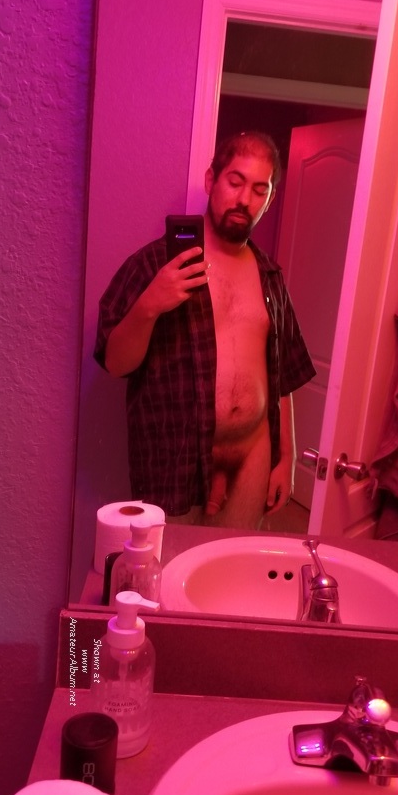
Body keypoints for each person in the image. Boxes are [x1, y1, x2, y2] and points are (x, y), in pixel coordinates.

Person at [94, 131, 316, 528]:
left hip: (251, 454)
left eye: (259, 189)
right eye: (235, 182)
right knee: (167, 563)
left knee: (232, 561)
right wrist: (150, 304)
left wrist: (287, 457)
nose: (244, 199)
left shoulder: (270, 277)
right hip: (174, 459)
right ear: (212, 180)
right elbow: (115, 363)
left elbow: (283, 376)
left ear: (269, 200)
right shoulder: (155, 265)